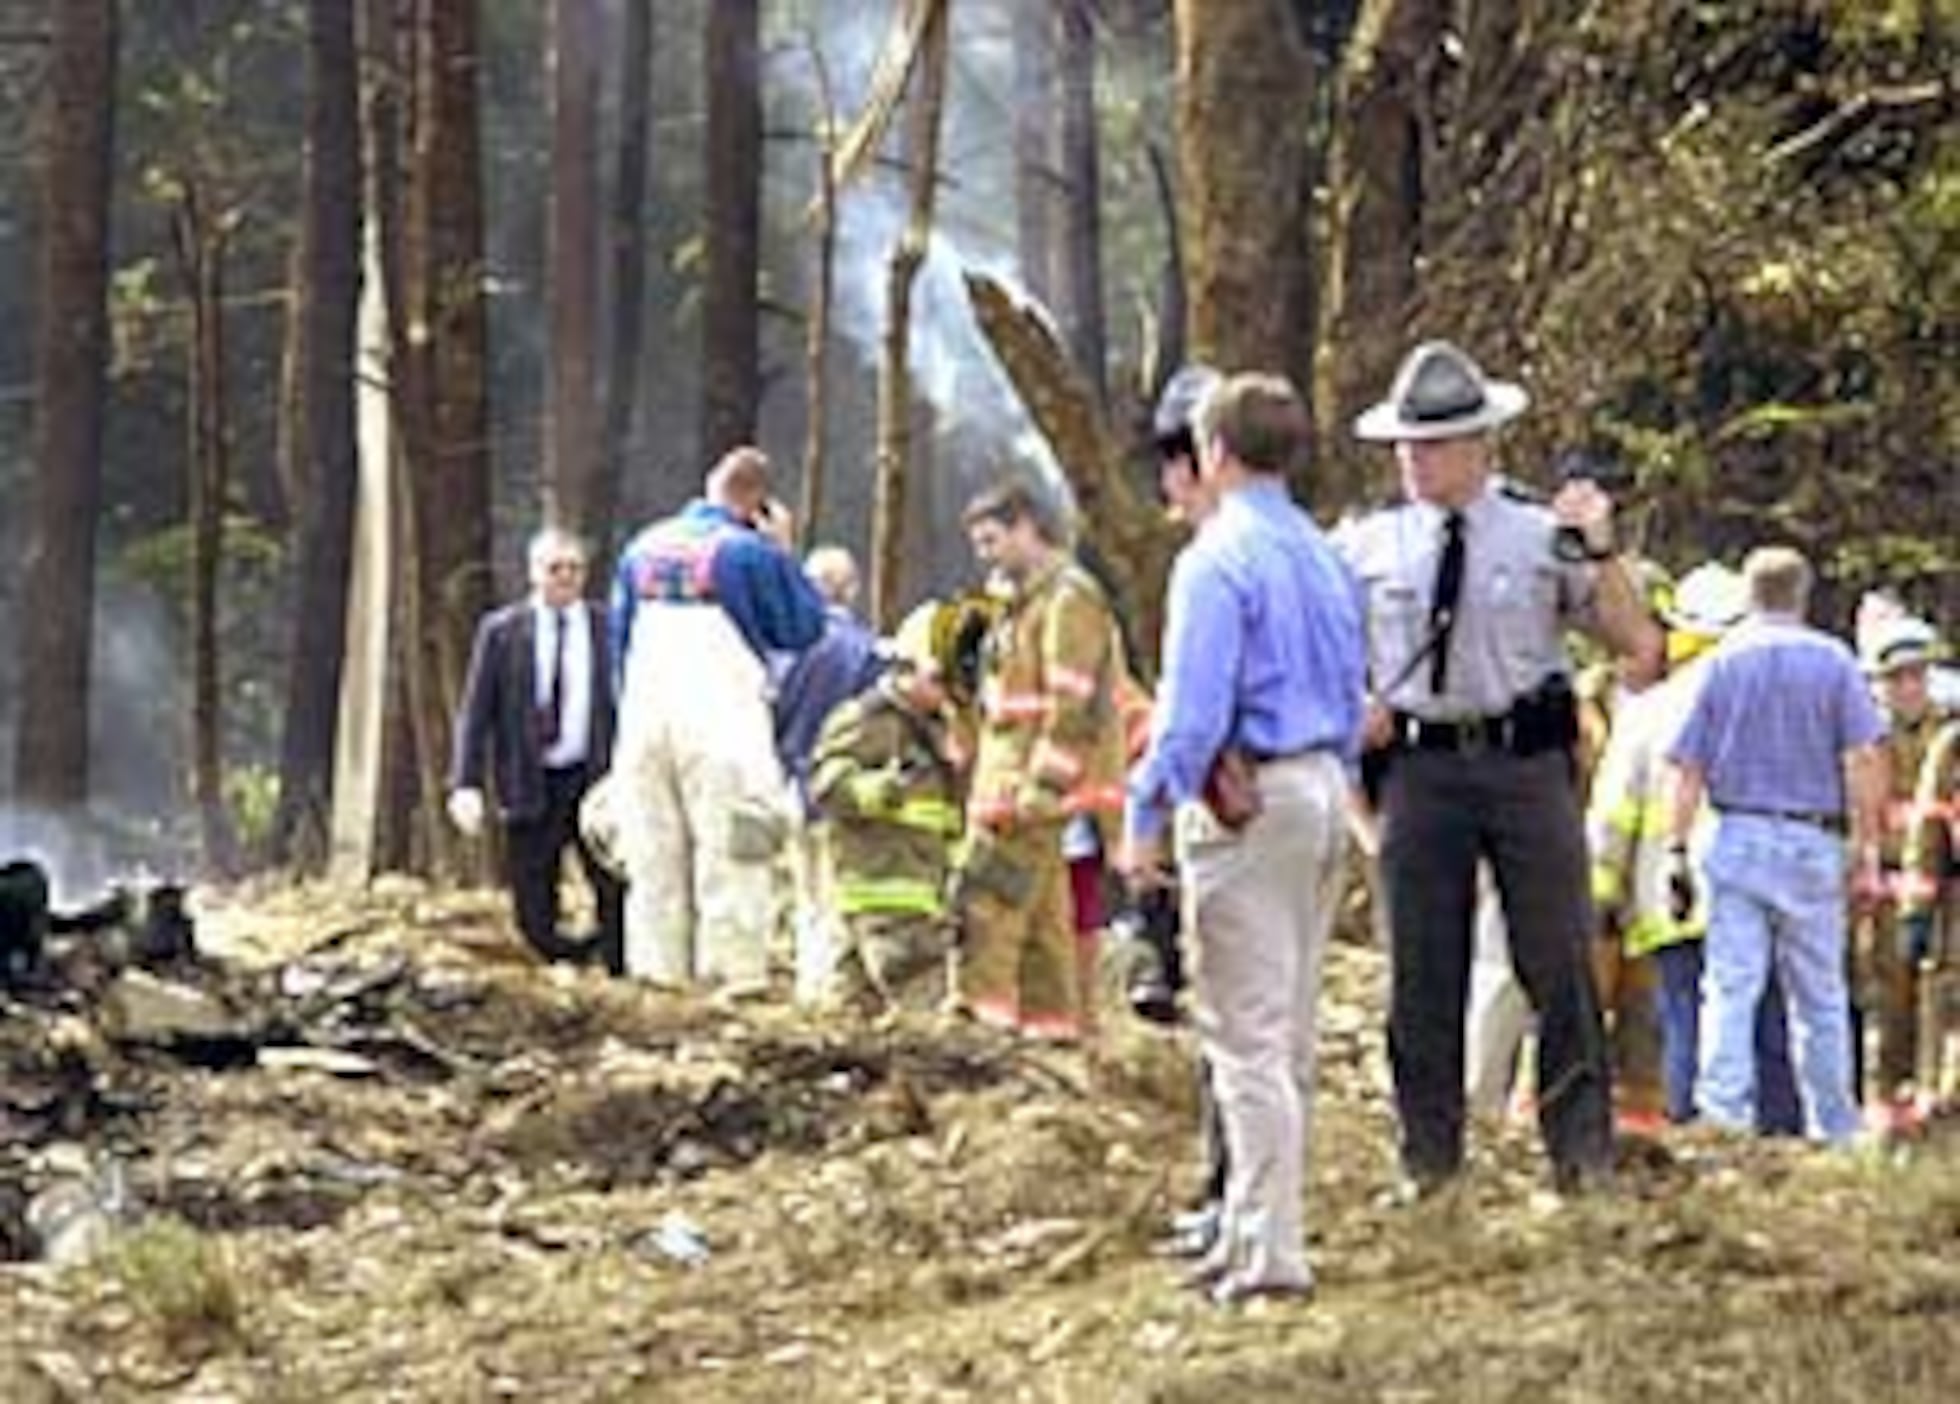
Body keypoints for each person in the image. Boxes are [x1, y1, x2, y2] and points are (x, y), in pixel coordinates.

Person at [1338, 340, 1663, 1197]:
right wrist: (1351, 711)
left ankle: (1580, 1155)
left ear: (1481, 446)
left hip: (1525, 764)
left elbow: (1636, 646)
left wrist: (1600, 551)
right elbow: (1330, 655)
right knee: (1422, 971)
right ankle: (1430, 1162)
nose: (1414, 460)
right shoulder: (1366, 547)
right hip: (1420, 767)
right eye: (1405, 445)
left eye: (1433, 444)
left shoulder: (1538, 534)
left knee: (1557, 960)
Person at [1121, 371, 1364, 1305]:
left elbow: (1190, 716)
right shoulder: (1320, 554)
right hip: (1319, 784)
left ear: (1214, 453)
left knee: (1243, 1037)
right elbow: (1352, 692)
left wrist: (1146, 811)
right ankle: (1256, 1229)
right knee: (1289, 1030)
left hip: (1246, 797)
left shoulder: (1217, 562)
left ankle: (1268, 1250)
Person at [1663, 546, 1887, 1145]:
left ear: (1749, 594)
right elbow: (1862, 756)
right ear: (1804, 593)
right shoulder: (1835, 663)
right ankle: (1835, 1124)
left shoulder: (1720, 664)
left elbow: (1685, 767)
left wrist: (1675, 848)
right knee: (1819, 995)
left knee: (1731, 986)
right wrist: (1867, 847)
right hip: (1812, 836)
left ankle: (1723, 1118)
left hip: (1736, 832)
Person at [1587, 563, 1800, 1130]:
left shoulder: (1651, 710)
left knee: (1687, 1019)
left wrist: (1602, 894)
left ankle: (1696, 1132)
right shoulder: (1780, 705)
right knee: (1767, 1018)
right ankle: (1782, 1138)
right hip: (1765, 893)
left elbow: (1613, 813)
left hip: (1671, 903)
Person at [608, 447, 826, 992]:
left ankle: (657, 980)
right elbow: (803, 628)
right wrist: (785, 551)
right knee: (734, 850)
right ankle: (730, 980)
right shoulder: (749, 552)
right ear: (757, 501)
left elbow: (618, 643)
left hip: (644, 720)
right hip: (720, 722)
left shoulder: (642, 549)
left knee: (655, 858)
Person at [953, 478, 1123, 1042]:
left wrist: (1044, 787)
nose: (987, 555)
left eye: (993, 539)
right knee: (1046, 922)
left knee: (986, 906)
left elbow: (1071, 704)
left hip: (1026, 791)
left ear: (1029, 525)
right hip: (1007, 783)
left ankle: (982, 1024)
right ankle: (1052, 1030)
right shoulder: (1019, 604)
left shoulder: (1068, 601)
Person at [449, 526, 624, 973]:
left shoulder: (609, 628)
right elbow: (476, 711)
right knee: (532, 892)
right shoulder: (503, 632)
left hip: (594, 778)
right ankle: (554, 962)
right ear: (533, 573)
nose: (565, 578)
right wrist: (465, 782)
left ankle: (615, 965)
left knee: (611, 882)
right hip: (529, 778)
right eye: (555, 569)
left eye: (574, 569)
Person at [806, 602, 963, 1014]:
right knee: (924, 1005)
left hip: (921, 887)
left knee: (850, 1011)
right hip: (880, 884)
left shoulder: (946, 729)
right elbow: (825, 784)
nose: (951, 691)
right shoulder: (867, 720)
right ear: (905, 668)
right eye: (941, 678)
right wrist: (875, 791)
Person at [1852, 611, 1947, 1118]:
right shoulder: (1863, 739)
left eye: (1917, 675)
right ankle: (1885, 1115)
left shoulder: (1947, 737)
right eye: (1897, 678)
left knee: (1938, 1006)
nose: (1909, 687)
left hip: (1942, 896)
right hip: (1880, 896)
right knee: (1887, 1010)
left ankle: (1934, 1109)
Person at [1902, 704, 1960, 1107]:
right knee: (1944, 998)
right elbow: (1928, 830)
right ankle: (1936, 1096)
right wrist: (1917, 908)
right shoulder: (1953, 746)